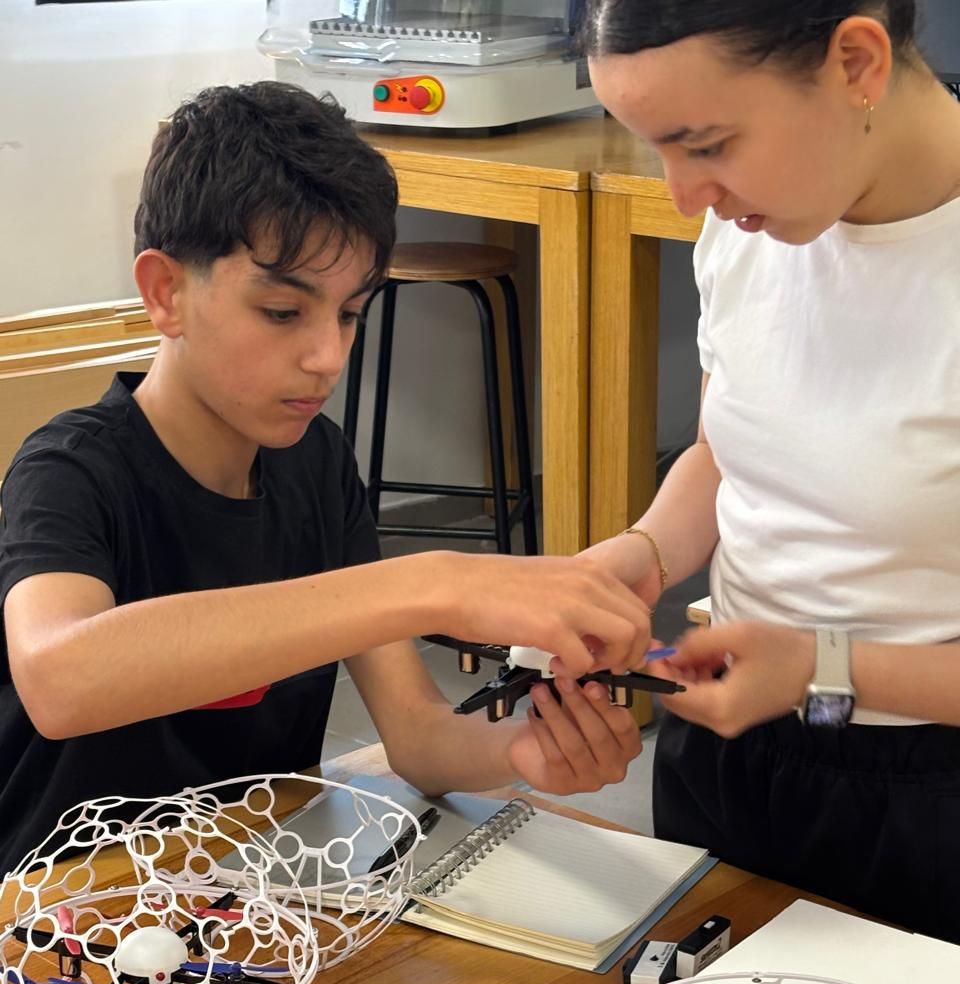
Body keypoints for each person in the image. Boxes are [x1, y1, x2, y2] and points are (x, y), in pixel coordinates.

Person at [0, 80, 652, 873]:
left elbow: (417, 735)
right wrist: (431, 583)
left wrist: (526, 750)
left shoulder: (316, 464)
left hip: (244, 887)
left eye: (349, 313)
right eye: (283, 313)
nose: (328, 357)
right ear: (166, 292)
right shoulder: (70, 469)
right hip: (60, 902)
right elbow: (61, 679)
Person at [578, 1, 960, 940]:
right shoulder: (750, 229)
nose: (683, 195)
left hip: (929, 796)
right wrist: (642, 554)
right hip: (733, 749)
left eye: (707, 144)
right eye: (657, 150)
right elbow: (726, 450)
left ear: (857, 64)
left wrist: (822, 669)